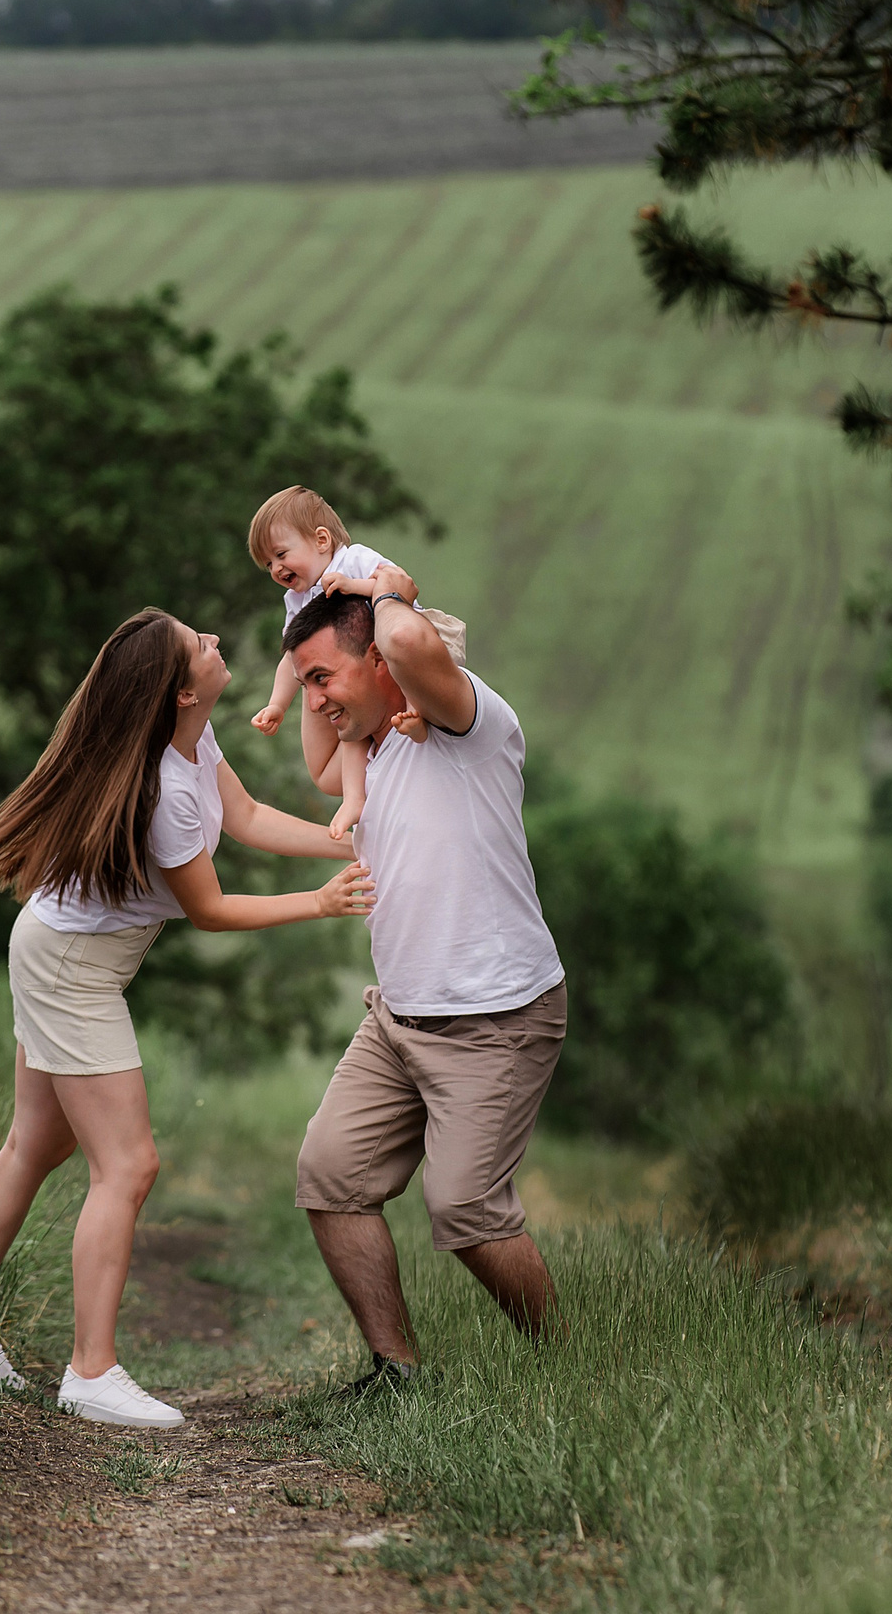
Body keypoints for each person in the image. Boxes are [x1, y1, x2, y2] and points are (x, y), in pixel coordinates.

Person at [0, 609, 370, 1428]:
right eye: (197, 646)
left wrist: (352, 842)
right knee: (128, 1166)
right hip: (72, 972)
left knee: (37, 1145)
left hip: (59, 952)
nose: (213, 641)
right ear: (179, 692)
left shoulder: (192, 743)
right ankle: (91, 1371)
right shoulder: (163, 789)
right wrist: (319, 902)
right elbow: (208, 910)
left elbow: (244, 817)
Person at [280, 577, 567, 1394]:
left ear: (379, 658)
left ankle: (571, 1368)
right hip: (398, 1020)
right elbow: (319, 759)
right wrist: (312, 670)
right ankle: (397, 1372)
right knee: (331, 1177)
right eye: (305, 686)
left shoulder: (468, 726)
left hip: (497, 1018)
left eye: (324, 679)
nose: (316, 701)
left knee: (467, 1212)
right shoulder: (369, 753)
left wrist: (383, 585)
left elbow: (407, 643)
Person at [245, 485, 468, 843]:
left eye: (281, 554)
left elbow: (397, 586)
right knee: (351, 729)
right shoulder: (297, 600)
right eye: (268, 563)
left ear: (321, 540)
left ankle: (419, 714)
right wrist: (277, 703)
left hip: (400, 646)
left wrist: (353, 585)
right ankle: (354, 797)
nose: (276, 568)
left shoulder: (352, 560)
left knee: (406, 667)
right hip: (364, 678)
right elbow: (292, 658)